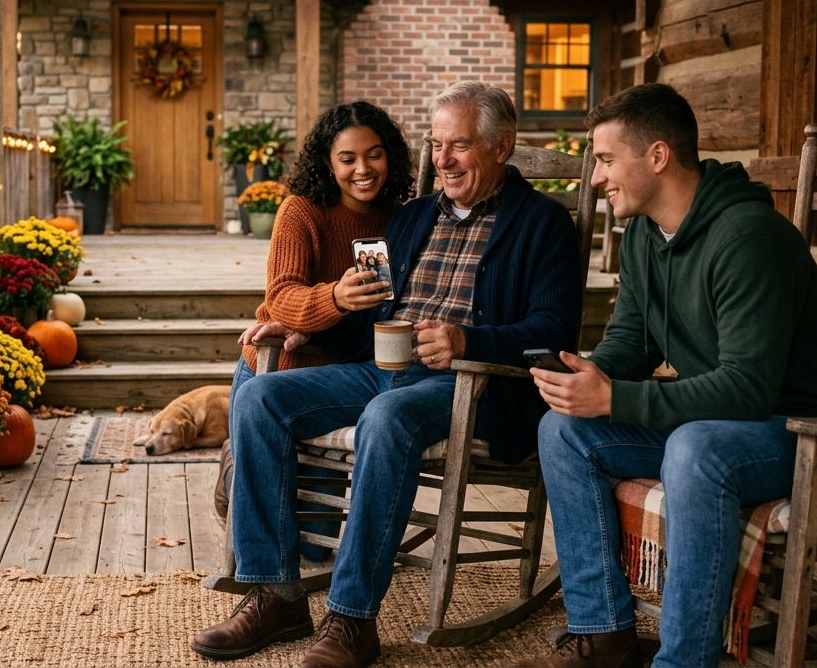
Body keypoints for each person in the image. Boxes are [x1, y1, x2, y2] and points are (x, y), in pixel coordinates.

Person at [192, 81, 582, 668]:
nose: (444, 161)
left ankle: (352, 620)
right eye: (437, 145)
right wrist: (307, 328)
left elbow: (553, 329)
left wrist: (466, 338)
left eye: (460, 146)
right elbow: (372, 306)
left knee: (387, 416)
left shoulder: (544, 223)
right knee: (259, 399)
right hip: (379, 368)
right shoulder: (411, 217)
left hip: (468, 384)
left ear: (502, 146)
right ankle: (275, 593)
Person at [522, 83, 817, 668]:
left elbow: (746, 388)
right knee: (562, 430)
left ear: (657, 156)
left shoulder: (748, 238)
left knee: (694, 448)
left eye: (607, 160)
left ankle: (684, 660)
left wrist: (614, 398)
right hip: (725, 428)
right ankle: (603, 631)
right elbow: (633, 341)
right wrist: (586, 375)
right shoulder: (642, 234)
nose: (594, 178)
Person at [220, 101, 414, 559]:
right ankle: (242, 463)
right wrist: (335, 299)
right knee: (271, 517)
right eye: (348, 159)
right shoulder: (301, 211)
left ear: (392, 157)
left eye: (375, 155)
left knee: (313, 546)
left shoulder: (400, 219)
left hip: (342, 373)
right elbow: (280, 298)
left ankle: (244, 468)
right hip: (275, 369)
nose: (363, 169)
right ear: (328, 164)